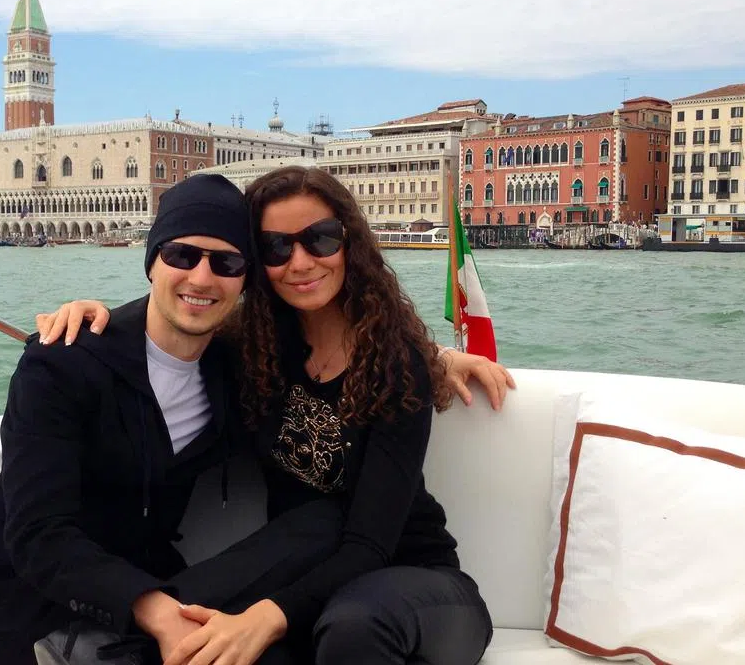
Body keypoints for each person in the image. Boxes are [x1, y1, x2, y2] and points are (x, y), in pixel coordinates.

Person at [38, 166, 512, 665]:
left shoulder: (394, 362)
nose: (301, 262)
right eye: (277, 248)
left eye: (320, 239)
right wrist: (98, 317)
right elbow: (182, 309)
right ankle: (115, 649)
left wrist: (268, 616)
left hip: (411, 580)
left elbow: (369, 544)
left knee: (352, 625)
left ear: (350, 243)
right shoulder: (255, 349)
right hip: (303, 580)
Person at [0, 174, 346, 665]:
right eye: (182, 255)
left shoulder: (233, 370)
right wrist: (155, 611)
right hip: (27, 612)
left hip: (155, 591)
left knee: (320, 527)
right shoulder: (63, 362)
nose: (201, 279)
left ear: (245, 280)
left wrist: (433, 360)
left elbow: (328, 350)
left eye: (226, 262)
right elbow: (38, 535)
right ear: (152, 263)